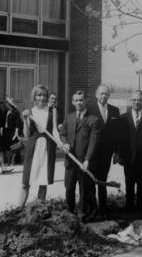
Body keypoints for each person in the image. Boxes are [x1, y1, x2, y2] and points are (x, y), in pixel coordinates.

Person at [19, 84, 63, 207]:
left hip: (48, 148)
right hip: (33, 149)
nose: (41, 97)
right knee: (26, 181)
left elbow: (54, 130)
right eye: (39, 95)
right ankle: (19, 209)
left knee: (43, 181)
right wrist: (25, 120)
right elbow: (26, 134)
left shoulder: (52, 111)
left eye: (44, 95)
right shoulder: (30, 112)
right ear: (34, 96)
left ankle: (39, 210)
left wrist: (60, 143)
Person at [60, 90, 100, 222]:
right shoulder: (69, 117)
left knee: (84, 190)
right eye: (76, 100)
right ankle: (69, 212)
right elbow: (63, 132)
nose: (78, 103)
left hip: (83, 163)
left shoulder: (93, 119)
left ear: (85, 101)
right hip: (71, 161)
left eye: (81, 100)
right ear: (72, 102)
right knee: (69, 188)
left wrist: (88, 159)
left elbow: (93, 142)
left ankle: (82, 214)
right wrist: (65, 143)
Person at [118, 90, 142, 213]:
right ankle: (129, 208)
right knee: (129, 184)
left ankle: (141, 208)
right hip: (128, 157)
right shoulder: (124, 117)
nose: (137, 102)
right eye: (134, 100)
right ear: (130, 101)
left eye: (139, 100)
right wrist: (120, 155)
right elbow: (120, 139)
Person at [88, 84, 120, 217]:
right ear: (96, 94)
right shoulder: (89, 109)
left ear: (109, 95)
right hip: (92, 152)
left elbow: (117, 134)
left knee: (103, 180)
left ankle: (103, 208)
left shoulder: (114, 110)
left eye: (106, 94)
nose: (103, 96)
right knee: (91, 180)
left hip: (107, 152)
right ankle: (92, 209)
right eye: (101, 93)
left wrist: (117, 152)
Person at [2, 97, 22, 166]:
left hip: (13, 131)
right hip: (6, 131)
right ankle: (8, 161)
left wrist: (16, 134)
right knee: (7, 147)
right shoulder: (5, 111)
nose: (6, 105)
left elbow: (17, 123)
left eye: (7, 104)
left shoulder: (16, 112)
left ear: (10, 104)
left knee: (14, 147)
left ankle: (13, 161)